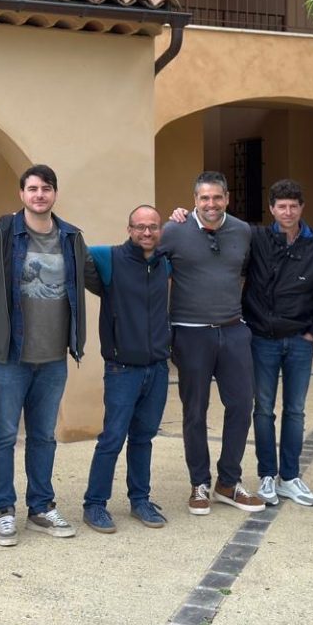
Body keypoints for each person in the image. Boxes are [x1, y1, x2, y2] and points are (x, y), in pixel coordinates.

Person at [0, 165, 91, 546]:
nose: (40, 195)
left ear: (54, 194)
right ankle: (3, 511)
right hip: (9, 357)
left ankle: (40, 506)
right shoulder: (2, 234)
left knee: (43, 436)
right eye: (33, 188)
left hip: (53, 357)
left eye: (46, 188)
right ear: (22, 194)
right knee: (3, 434)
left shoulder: (71, 237)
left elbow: (96, 272)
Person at [161, 171, 264, 516]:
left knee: (242, 405)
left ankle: (228, 482)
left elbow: (249, 272)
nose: (211, 204)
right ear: (194, 200)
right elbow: (144, 262)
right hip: (190, 332)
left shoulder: (242, 231)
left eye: (217, 197)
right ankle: (199, 482)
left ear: (227, 198)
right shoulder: (173, 230)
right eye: (204, 197)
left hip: (233, 329)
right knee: (195, 410)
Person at [243, 179, 313, 508]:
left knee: (295, 410)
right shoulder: (256, 239)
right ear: (271, 209)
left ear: (301, 208)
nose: (287, 212)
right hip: (262, 339)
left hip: (299, 341)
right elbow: (218, 228)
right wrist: (184, 215)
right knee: (263, 409)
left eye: (293, 206)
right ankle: (267, 475)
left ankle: (290, 476)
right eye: (281, 206)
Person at [81, 205, 172, 534]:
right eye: (140, 227)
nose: (147, 232)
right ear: (129, 229)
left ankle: (140, 500)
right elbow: (74, 249)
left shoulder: (165, 262)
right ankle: (94, 504)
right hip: (122, 369)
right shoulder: (110, 258)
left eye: (153, 227)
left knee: (143, 438)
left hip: (157, 367)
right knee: (112, 438)